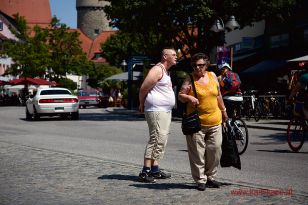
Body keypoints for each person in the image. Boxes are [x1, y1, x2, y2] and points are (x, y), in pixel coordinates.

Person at [178, 53, 228, 191]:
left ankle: (211, 177)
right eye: (194, 65)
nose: (197, 68)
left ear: (206, 65)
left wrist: (223, 111)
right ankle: (201, 179)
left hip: (215, 120)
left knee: (215, 149)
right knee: (197, 153)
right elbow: (180, 96)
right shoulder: (190, 78)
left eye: (200, 65)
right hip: (196, 123)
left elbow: (218, 95)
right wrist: (189, 98)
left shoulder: (212, 76)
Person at [138, 48, 177, 183]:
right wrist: (141, 103)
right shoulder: (157, 69)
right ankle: (145, 171)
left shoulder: (165, 71)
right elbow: (144, 88)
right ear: (165, 56)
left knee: (162, 139)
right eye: (173, 55)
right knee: (156, 138)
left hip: (165, 110)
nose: (176, 57)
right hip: (156, 110)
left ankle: (155, 169)